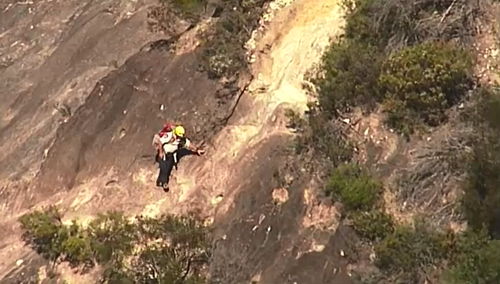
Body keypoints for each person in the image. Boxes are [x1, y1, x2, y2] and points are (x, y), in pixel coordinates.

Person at [153, 125, 205, 191]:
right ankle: (163, 182)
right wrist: (161, 152)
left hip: (172, 154)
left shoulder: (180, 139)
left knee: (168, 167)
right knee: (164, 167)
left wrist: (197, 150)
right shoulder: (169, 136)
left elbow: (188, 144)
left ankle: (162, 181)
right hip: (165, 153)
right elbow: (160, 142)